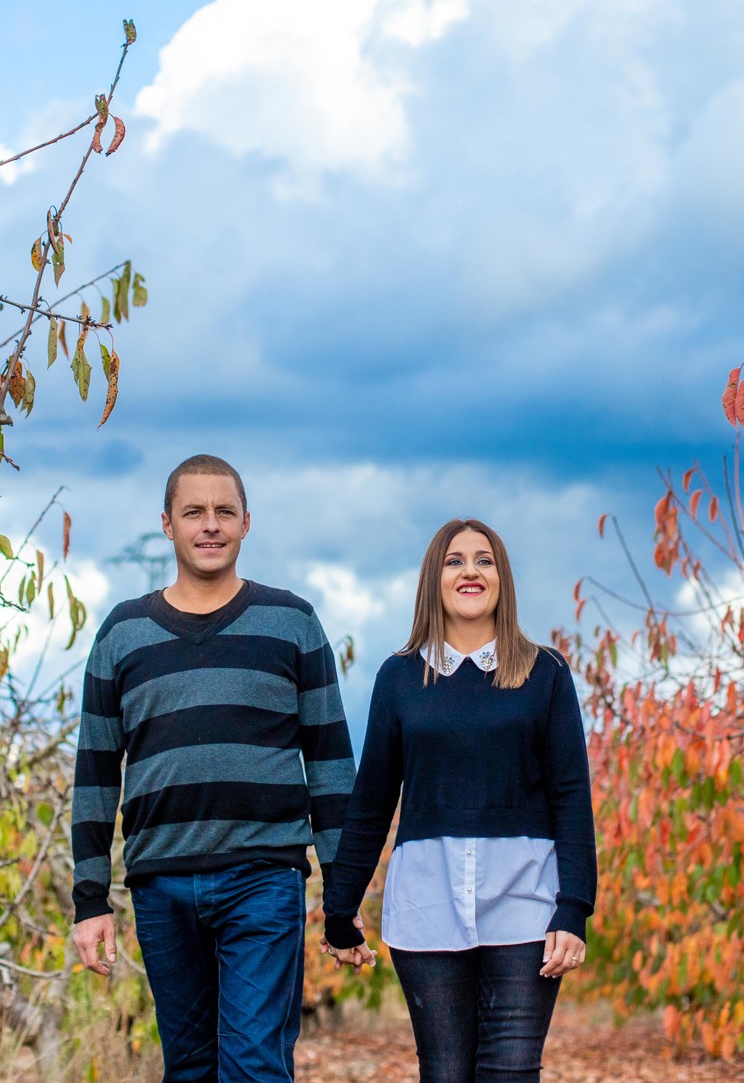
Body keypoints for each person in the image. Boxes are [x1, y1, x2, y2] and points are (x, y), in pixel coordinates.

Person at [70, 454, 355, 1083]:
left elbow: (332, 764)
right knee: (191, 1068)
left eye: (224, 511)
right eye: (194, 511)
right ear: (167, 523)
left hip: (263, 878)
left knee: (253, 1063)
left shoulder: (292, 624)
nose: (210, 524)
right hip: (162, 885)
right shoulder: (123, 633)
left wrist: (343, 891)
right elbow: (94, 774)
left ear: (247, 523)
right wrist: (90, 899)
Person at [318, 519, 597, 1083]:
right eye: (455, 560)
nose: (470, 570)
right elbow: (372, 800)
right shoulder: (398, 679)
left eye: (484, 560)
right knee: (444, 1073)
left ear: (502, 579)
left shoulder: (546, 674)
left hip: (526, 904)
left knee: (511, 1071)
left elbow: (571, 797)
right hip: (427, 906)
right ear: (434, 580)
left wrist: (575, 908)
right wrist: (340, 909)